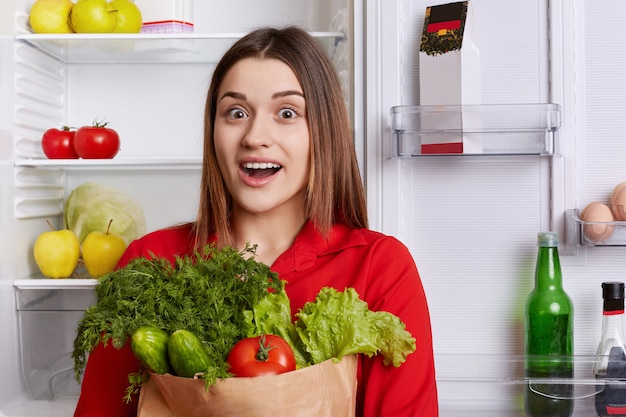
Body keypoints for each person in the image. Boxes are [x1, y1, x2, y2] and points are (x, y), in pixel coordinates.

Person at [73, 26, 438, 417]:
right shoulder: (150, 260)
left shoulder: (379, 267)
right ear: (213, 129)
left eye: (286, 113)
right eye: (236, 112)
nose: (255, 136)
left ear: (323, 131)